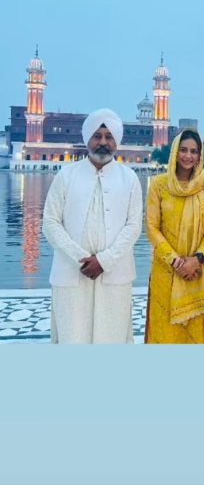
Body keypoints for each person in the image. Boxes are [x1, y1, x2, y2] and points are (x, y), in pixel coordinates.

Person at [42, 108, 143, 344]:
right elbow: (50, 222)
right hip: (72, 271)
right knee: (72, 337)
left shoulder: (129, 179)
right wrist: (82, 258)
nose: (103, 142)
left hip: (114, 273)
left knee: (112, 337)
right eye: (97, 136)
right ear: (87, 138)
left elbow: (133, 226)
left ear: (116, 141)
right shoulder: (66, 175)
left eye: (109, 137)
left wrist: (104, 261)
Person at [145, 130, 204, 344]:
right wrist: (176, 261)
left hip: (198, 271)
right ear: (174, 152)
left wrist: (197, 259)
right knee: (165, 331)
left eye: (194, 151)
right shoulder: (159, 184)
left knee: (196, 333)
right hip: (166, 271)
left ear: (200, 156)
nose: (188, 156)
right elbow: (151, 227)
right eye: (183, 150)